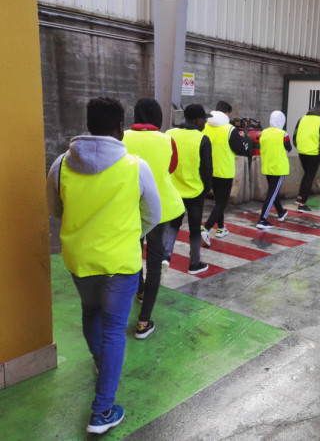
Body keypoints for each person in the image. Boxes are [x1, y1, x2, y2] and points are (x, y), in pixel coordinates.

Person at [46, 97, 161, 434]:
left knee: (91, 314)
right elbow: (153, 213)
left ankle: (101, 365)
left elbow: (55, 209)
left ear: (88, 124)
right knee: (114, 330)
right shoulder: (135, 166)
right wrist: (130, 233)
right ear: (120, 128)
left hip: (80, 262)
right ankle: (102, 411)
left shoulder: (62, 164)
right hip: (120, 265)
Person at [123, 98, 185, 339]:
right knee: (155, 260)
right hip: (160, 209)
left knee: (135, 252)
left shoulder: (123, 137)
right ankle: (143, 322)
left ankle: (139, 291)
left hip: (131, 207)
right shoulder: (168, 139)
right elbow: (171, 168)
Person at [163, 104, 213, 274]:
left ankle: (165, 256)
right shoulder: (202, 139)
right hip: (195, 191)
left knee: (173, 224)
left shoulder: (169, 134)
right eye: (204, 119)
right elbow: (207, 169)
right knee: (194, 228)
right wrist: (206, 188)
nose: (205, 122)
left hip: (172, 190)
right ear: (198, 120)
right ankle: (194, 263)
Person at [202, 100, 249, 241]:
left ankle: (221, 228)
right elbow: (241, 149)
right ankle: (206, 228)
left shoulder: (205, 126)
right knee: (222, 202)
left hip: (208, 170)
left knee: (218, 200)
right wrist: (244, 139)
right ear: (227, 113)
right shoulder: (230, 130)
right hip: (224, 171)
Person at [256, 110, 291, 229]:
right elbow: (289, 148)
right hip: (279, 168)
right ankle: (262, 219)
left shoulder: (264, 132)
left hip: (267, 166)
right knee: (272, 193)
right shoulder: (283, 134)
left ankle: (281, 212)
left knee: (273, 191)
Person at [293, 101, 320, 212]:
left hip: (301, 152)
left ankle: (299, 198)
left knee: (307, 174)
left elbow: (295, 136)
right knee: (310, 177)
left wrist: (299, 147)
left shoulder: (301, 119)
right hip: (313, 154)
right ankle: (302, 204)